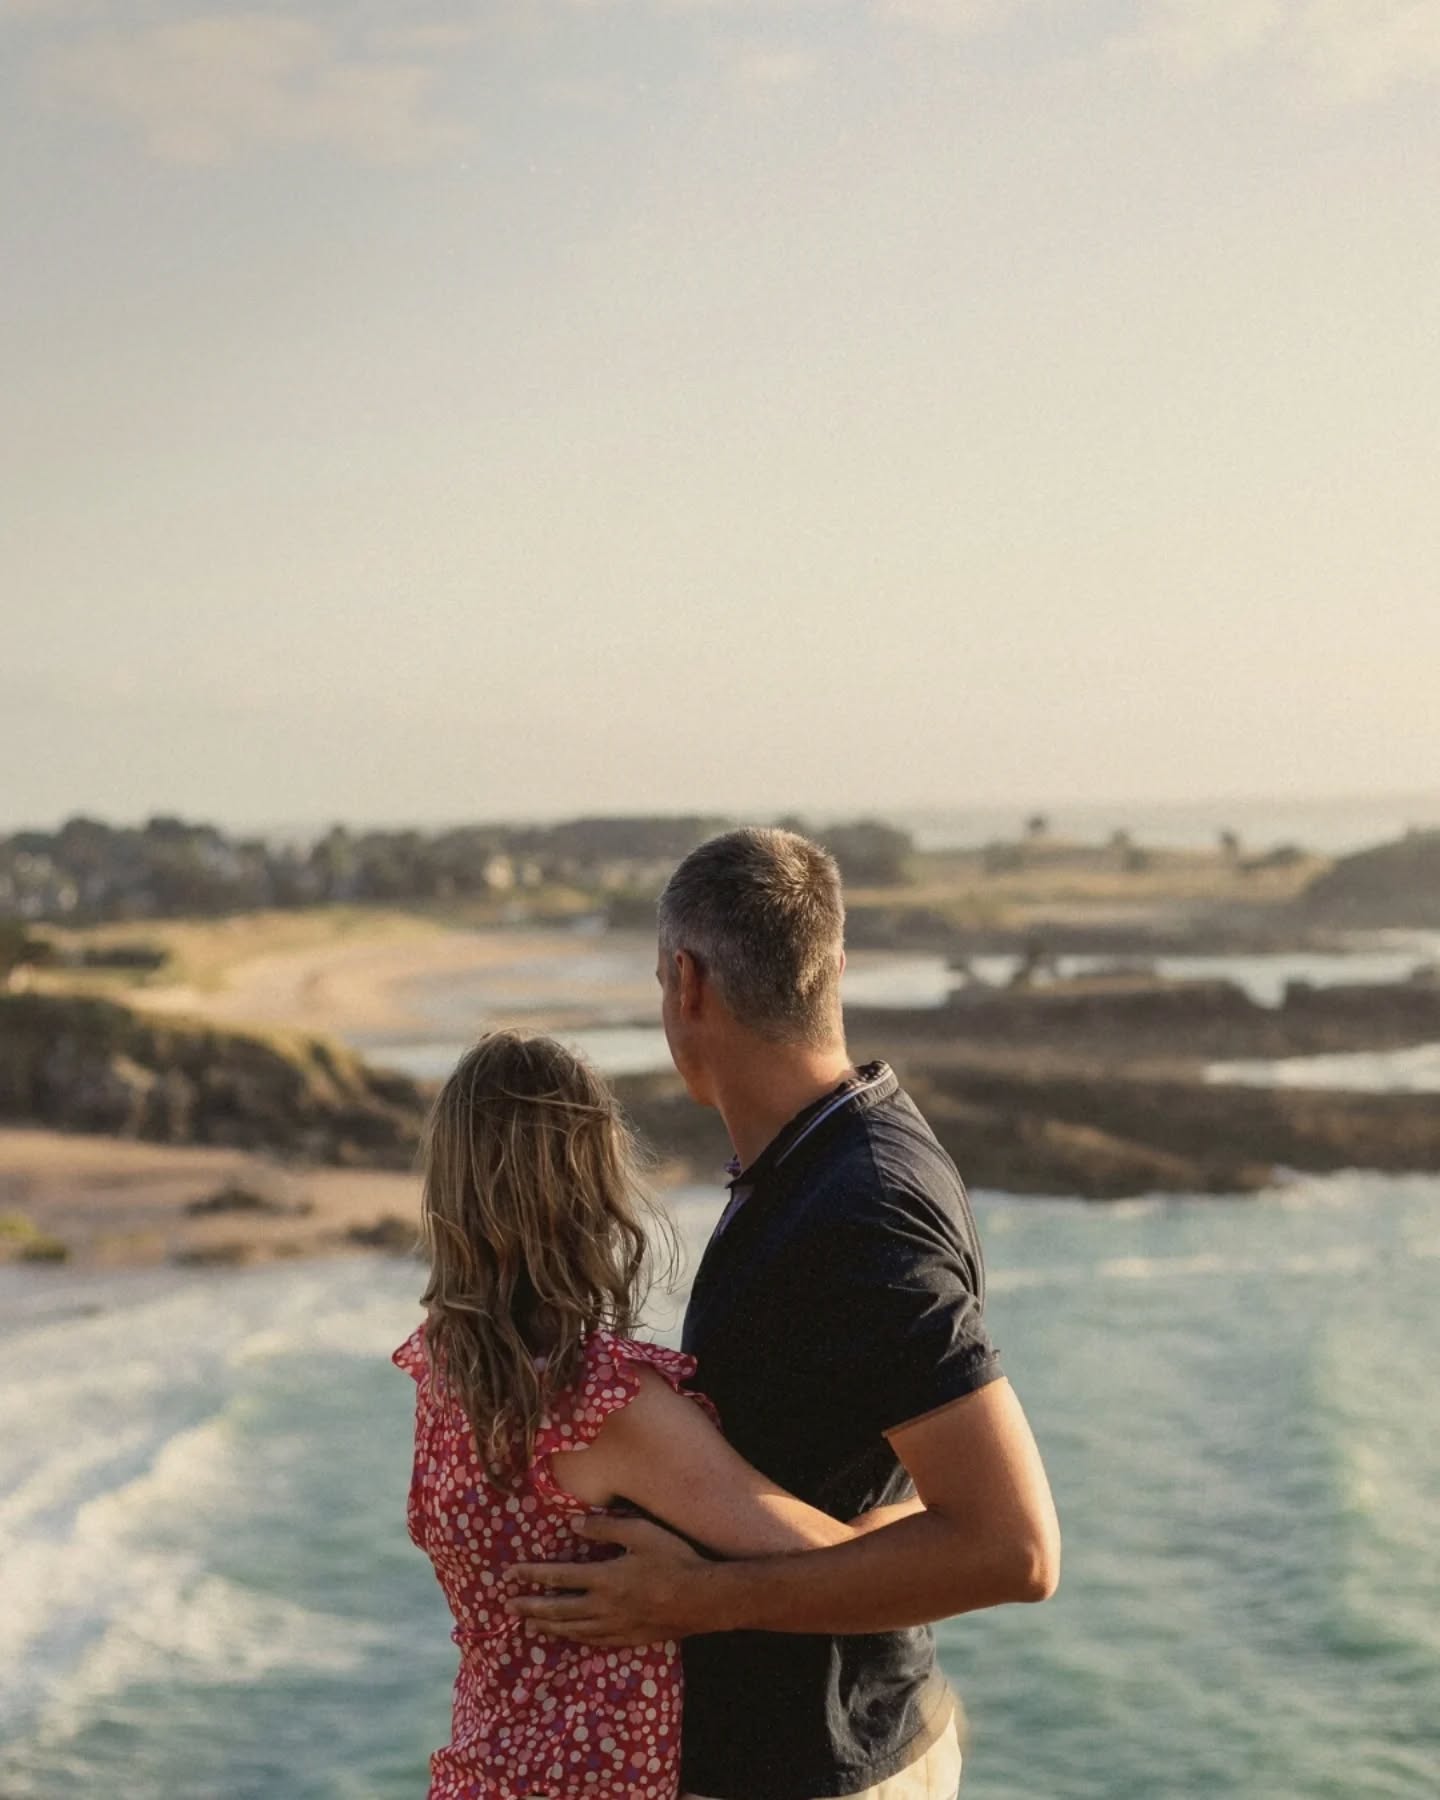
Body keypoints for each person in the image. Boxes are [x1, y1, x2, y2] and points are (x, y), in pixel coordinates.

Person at [509, 828, 1061, 1800]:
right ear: (834, 968)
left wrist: (697, 1600)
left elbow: (1013, 1548)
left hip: (822, 1768)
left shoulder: (862, 1206)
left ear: (686, 982)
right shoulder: (814, 1161)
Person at [394, 1028, 864, 1800]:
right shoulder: (602, 1406)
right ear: (587, 1186)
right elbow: (835, 1569)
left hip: (481, 1774)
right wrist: (906, 1507)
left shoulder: (444, 1371)